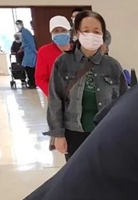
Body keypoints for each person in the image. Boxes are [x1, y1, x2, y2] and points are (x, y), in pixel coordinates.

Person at [47, 11, 126, 161]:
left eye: (96, 31)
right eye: (86, 30)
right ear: (77, 33)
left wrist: (123, 133)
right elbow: (55, 100)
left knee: (106, 172)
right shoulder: (63, 62)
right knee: (78, 173)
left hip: (106, 132)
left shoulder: (112, 65)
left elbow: (124, 102)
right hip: (74, 133)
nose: (91, 35)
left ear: (103, 35)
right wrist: (58, 135)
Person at [35, 16, 72, 98]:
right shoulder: (44, 51)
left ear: (69, 31)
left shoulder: (77, 50)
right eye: (56, 31)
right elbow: (40, 78)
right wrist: (53, 95)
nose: (60, 33)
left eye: (63, 30)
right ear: (51, 33)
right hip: (54, 96)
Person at [15, 20, 37, 89]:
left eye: (18, 24)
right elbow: (24, 42)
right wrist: (21, 49)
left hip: (30, 53)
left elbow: (31, 42)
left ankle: (32, 83)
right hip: (28, 52)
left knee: (29, 68)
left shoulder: (25, 32)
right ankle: (31, 82)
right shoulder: (22, 33)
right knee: (28, 68)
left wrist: (35, 51)